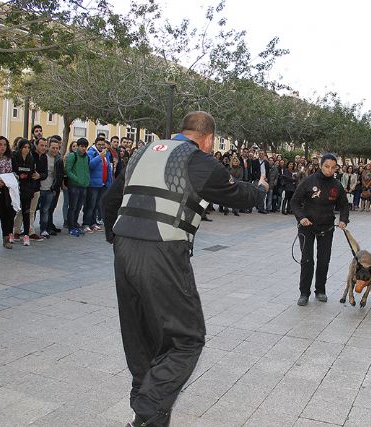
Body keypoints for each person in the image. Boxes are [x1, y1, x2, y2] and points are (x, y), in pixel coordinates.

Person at [102, 111, 267, 427]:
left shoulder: (141, 153)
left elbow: (110, 200)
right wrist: (260, 189)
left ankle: (147, 415)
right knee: (187, 339)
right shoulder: (198, 160)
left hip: (124, 249)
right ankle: (148, 409)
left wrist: (117, 239)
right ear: (208, 138)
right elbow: (240, 195)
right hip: (162, 251)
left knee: (140, 337)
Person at [291, 153, 350, 306]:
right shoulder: (308, 181)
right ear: (320, 165)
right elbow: (294, 202)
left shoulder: (337, 185)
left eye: (333, 167)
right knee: (307, 260)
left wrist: (343, 220)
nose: (330, 170)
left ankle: (320, 290)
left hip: (327, 227)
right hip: (307, 227)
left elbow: (344, 205)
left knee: (323, 261)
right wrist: (301, 217)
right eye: (327, 166)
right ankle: (304, 293)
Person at [83, 136, 112, 233]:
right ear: (95, 144)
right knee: (90, 205)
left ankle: (93, 223)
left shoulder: (106, 154)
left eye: (103, 145)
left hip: (102, 184)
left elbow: (108, 169)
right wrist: (100, 157)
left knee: (96, 206)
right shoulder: (91, 152)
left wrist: (109, 182)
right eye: (99, 144)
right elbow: (90, 165)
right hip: (93, 184)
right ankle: (86, 224)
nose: (101, 146)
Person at [65, 138, 90, 237]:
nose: (83, 148)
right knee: (73, 207)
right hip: (74, 186)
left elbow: (87, 170)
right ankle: (71, 227)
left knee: (79, 207)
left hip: (83, 186)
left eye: (85, 147)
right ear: (78, 146)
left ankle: (75, 224)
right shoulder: (72, 156)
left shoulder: (86, 156)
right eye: (82, 146)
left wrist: (87, 180)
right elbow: (67, 170)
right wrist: (77, 179)